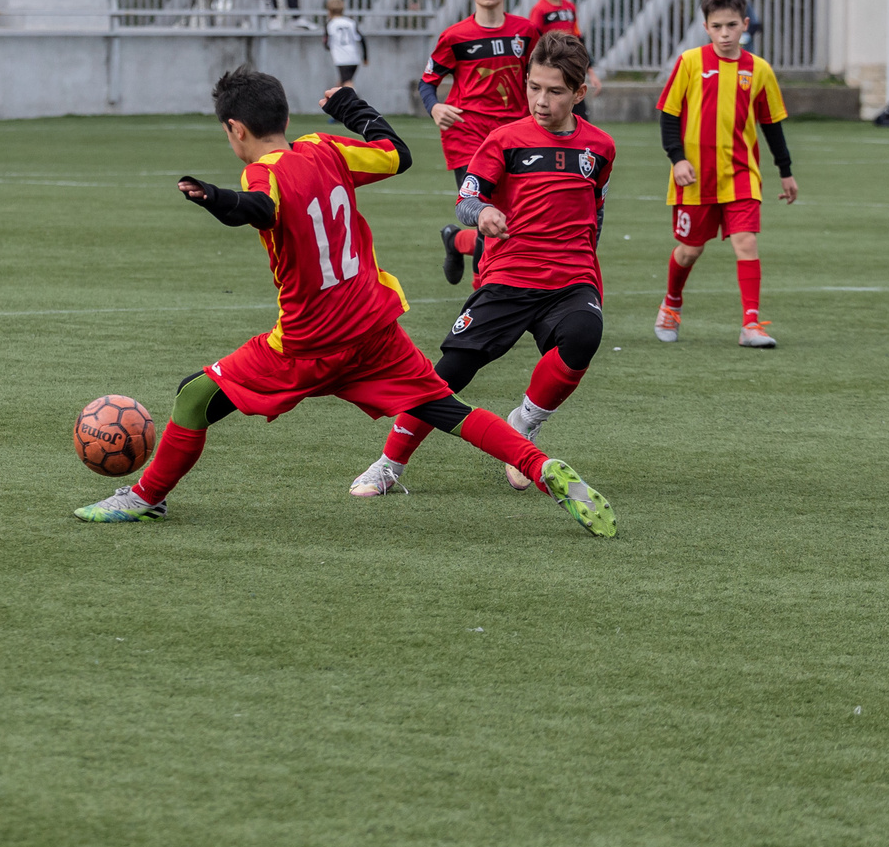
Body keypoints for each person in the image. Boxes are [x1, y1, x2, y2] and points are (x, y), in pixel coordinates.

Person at [74, 67, 616, 535]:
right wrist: (352, 107)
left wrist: (216, 198)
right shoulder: (324, 148)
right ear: (284, 117)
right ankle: (540, 466)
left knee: (192, 398)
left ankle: (145, 499)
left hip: (308, 342)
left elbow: (257, 208)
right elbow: (396, 154)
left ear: (235, 129)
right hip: (374, 327)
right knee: (447, 408)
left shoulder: (261, 172)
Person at [352, 32, 614, 497]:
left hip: (572, 278)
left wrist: (585, 256)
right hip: (509, 276)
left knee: (583, 336)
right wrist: (484, 214)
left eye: (554, 91)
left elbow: (597, 209)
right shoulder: (505, 140)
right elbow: (467, 199)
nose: (540, 99)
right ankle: (388, 464)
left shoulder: (600, 148)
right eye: (534, 87)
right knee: (450, 371)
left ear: (578, 93)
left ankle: (525, 425)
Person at [655, 0, 797, 348]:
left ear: (745, 24)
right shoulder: (689, 62)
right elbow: (669, 116)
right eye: (716, 26)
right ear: (706, 27)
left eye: (731, 25)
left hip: (740, 176)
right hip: (694, 177)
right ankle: (671, 303)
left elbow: (771, 124)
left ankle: (751, 324)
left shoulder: (759, 69)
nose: (724, 33)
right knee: (690, 250)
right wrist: (677, 159)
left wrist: (786, 172)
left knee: (746, 242)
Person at [424, 0, 539, 282]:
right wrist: (435, 106)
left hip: (514, 134)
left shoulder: (526, 32)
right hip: (467, 134)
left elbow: (537, 78)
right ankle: (482, 299)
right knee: (483, 212)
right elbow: (428, 81)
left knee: (511, 216)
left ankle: (456, 240)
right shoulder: (456, 36)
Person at [323, 0, 365, 86]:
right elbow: (361, 39)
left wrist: (329, 46)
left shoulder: (330, 24)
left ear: (329, 11)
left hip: (342, 58)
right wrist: (365, 57)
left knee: (347, 83)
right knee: (341, 83)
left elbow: (326, 42)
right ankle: (335, 99)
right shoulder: (350, 22)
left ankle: (353, 99)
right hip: (354, 58)